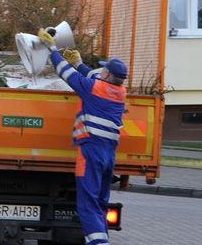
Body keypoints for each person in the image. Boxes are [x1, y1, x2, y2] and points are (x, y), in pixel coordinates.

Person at [38, 28, 127, 245]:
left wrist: (52, 49)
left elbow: (66, 74)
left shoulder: (93, 89)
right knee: (99, 202)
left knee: (87, 203)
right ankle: (101, 241)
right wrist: (79, 63)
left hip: (91, 152)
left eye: (104, 70)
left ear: (107, 75)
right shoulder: (119, 91)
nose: (101, 71)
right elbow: (91, 76)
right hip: (108, 154)